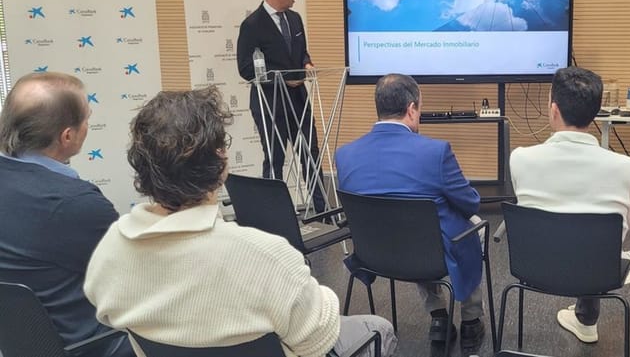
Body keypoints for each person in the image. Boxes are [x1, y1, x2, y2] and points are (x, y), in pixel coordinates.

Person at [83, 87, 396, 357]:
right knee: (377, 327)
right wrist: (322, 296)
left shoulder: (111, 249)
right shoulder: (267, 256)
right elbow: (318, 339)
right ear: (221, 162)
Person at [335, 74, 487, 353]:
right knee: (472, 226)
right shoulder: (435, 152)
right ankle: (470, 320)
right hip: (429, 255)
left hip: (375, 256)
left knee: (418, 229)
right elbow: (470, 205)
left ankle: (438, 317)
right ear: (412, 109)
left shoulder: (345, 155)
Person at [0, 72, 133, 357]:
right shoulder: (76, 203)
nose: (88, 125)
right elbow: (135, 278)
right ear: (68, 136)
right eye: (86, 118)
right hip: (96, 345)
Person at [509, 66, 630, 343]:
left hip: (534, 266)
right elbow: (626, 222)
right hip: (597, 268)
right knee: (594, 235)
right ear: (595, 112)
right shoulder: (626, 167)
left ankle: (583, 317)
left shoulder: (520, 158)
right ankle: (586, 317)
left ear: (553, 109)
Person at [237, 0, 325, 212]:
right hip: (270, 104)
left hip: (299, 101)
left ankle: (323, 211)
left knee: (311, 155)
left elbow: (301, 52)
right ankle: (271, 214)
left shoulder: (295, 18)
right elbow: (245, 69)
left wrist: (306, 63)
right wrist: (280, 79)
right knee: (275, 160)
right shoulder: (252, 25)